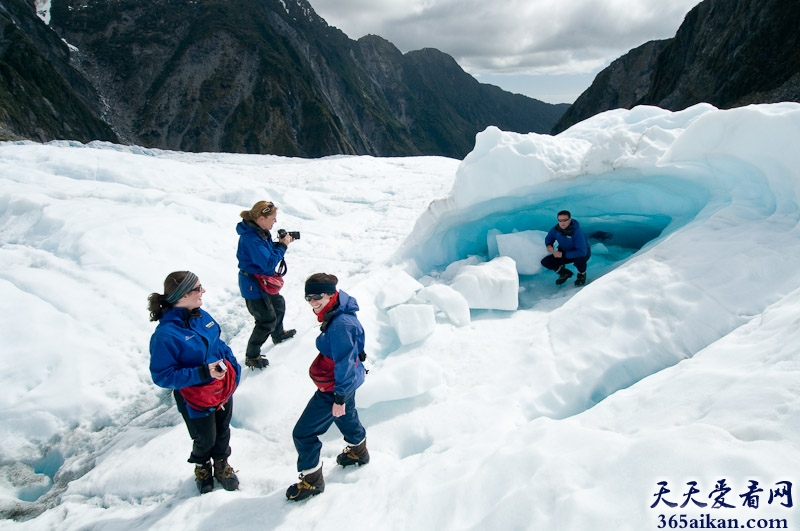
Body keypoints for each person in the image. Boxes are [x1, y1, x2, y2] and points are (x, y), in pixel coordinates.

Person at [148, 271, 242, 494]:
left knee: (222, 431)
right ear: (182, 295)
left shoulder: (201, 316)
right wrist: (203, 372)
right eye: (198, 288)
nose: (203, 291)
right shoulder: (165, 335)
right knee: (204, 437)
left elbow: (218, 343)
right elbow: (162, 375)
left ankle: (222, 464)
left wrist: (233, 367)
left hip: (221, 388)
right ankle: (202, 466)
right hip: (194, 398)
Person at [286, 273, 369, 501]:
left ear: (331, 294)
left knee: (303, 433)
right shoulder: (338, 311)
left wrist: (339, 396)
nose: (312, 302)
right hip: (346, 383)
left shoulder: (340, 324)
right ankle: (358, 452)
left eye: (318, 296)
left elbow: (343, 361)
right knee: (344, 415)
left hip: (335, 387)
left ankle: (311, 482)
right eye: (308, 297)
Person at [237, 200, 297, 369]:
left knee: (278, 304)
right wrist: (283, 247)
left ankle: (277, 334)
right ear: (261, 218)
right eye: (272, 218)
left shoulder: (259, 232)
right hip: (253, 285)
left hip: (261, 281)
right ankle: (252, 355)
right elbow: (268, 262)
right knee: (265, 321)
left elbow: (267, 251)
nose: (275, 222)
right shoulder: (251, 238)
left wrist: (278, 244)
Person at [541, 210, 591, 286]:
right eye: (560, 220)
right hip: (565, 253)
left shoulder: (577, 232)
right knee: (546, 262)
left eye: (565, 220)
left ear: (570, 220)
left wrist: (562, 254)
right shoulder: (556, 230)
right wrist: (549, 245)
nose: (562, 223)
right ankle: (564, 273)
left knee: (579, 261)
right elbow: (549, 238)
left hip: (581, 253)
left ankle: (582, 274)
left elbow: (582, 251)